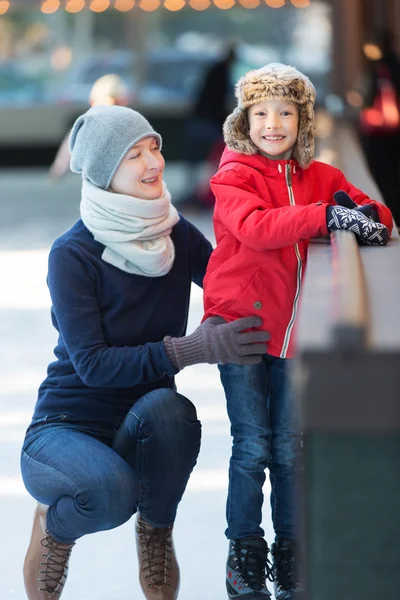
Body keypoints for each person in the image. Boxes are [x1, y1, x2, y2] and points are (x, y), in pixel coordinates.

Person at [20, 105, 270, 600]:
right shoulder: (73, 254)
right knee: (110, 493)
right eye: (134, 155)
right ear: (106, 174)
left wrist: (296, 233)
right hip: (65, 426)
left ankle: (155, 529)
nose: (153, 162)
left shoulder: (174, 233)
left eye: (153, 146)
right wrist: (194, 348)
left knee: (172, 410)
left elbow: (232, 281)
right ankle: (54, 525)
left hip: (142, 420)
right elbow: (91, 366)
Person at [202, 63, 393, 600]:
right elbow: (255, 229)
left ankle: (292, 552)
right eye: (261, 113)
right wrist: (325, 218)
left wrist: (358, 216)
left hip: (291, 330)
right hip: (239, 328)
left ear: (302, 120)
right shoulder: (233, 173)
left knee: (289, 447)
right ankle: (244, 551)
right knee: (252, 446)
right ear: (245, 121)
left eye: (285, 112)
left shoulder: (322, 176)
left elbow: (375, 210)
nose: (273, 123)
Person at [180, 44, 237, 209]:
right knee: (217, 157)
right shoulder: (221, 73)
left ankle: (197, 194)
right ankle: (203, 194)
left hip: (200, 121)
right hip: (207, 123)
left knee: (197, 160)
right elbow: (219, 103)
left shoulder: (213, 71)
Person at [360, 29, 400, 229]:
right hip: (392, 134)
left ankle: (392, 214)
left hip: (383, 132)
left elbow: (371, 98)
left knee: (386, 175)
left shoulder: (382, 68)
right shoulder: (394, 64)